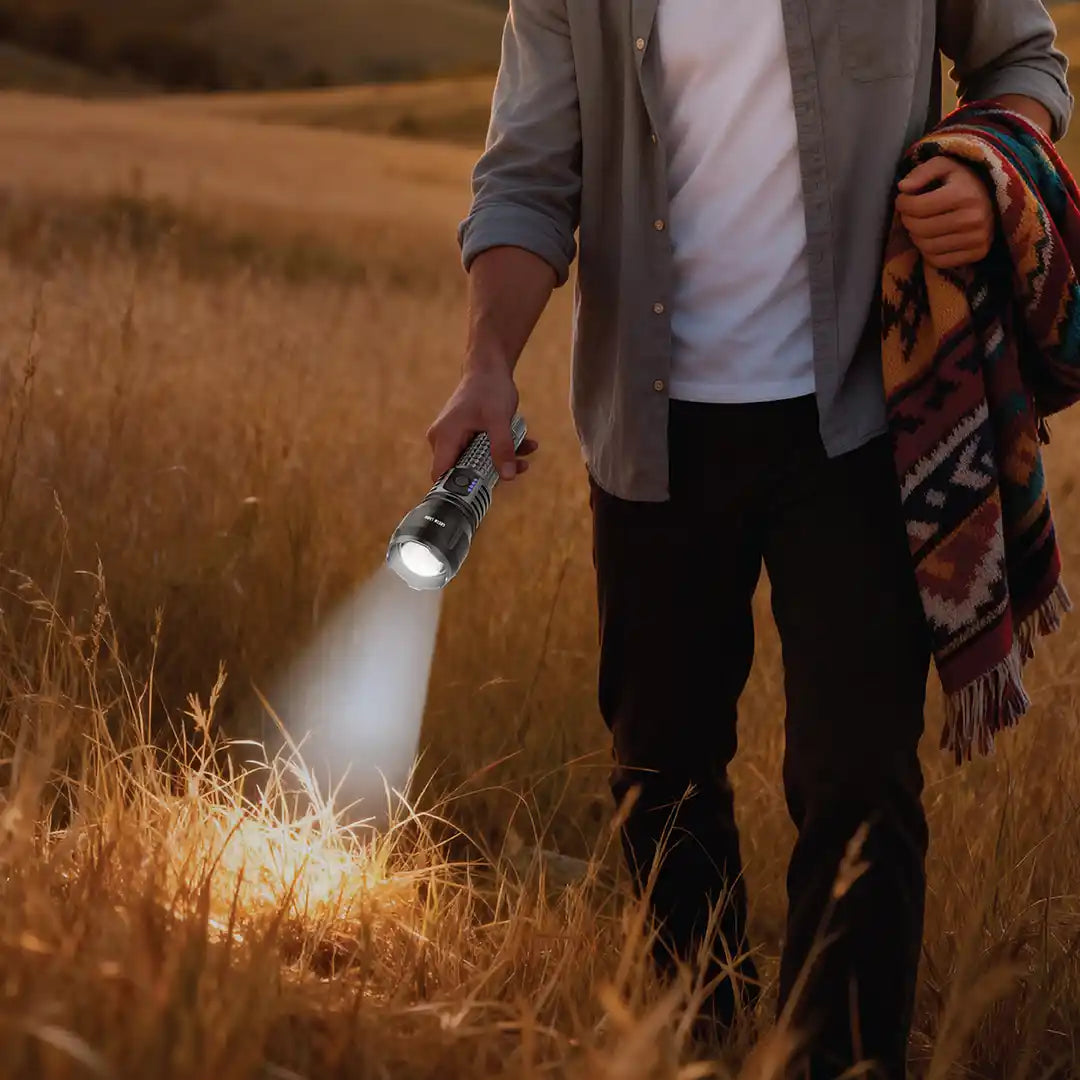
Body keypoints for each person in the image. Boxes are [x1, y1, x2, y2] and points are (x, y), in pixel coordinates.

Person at [426, 2, 1073, 1076]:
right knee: (661, 771)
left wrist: (982, 167)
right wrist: (489, 359)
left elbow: (1025, 61)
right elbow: (530, 173)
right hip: (653, 423)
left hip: (864, 417)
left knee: (860, 783)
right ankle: (698, 1045)